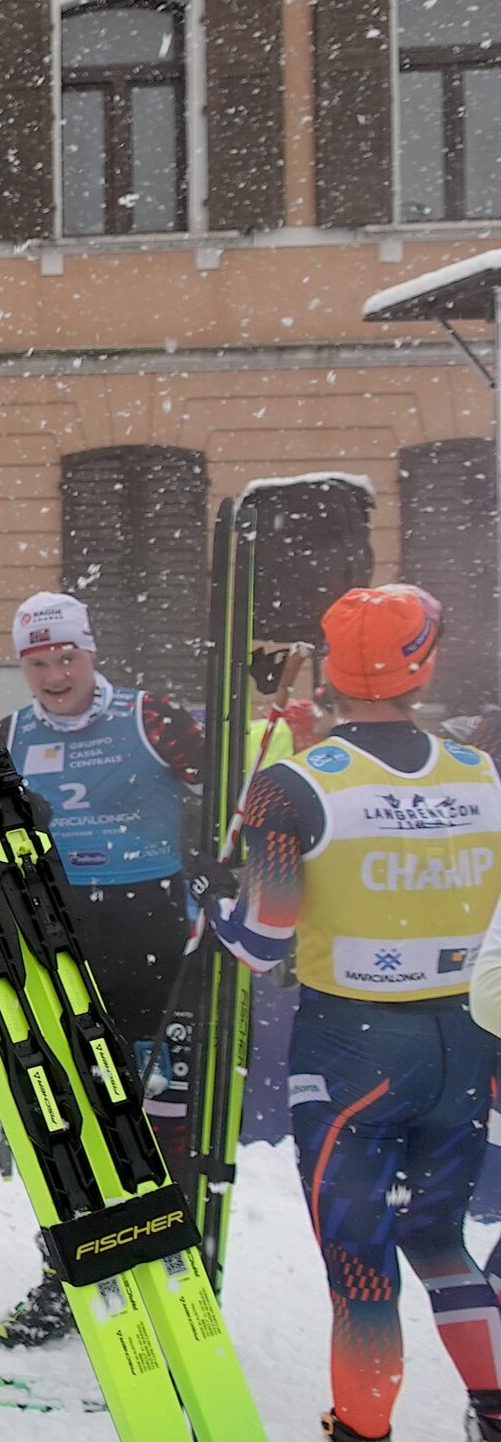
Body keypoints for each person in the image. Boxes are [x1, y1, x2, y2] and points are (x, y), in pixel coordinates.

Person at [213, 584, 501, 1442]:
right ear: (424, 667)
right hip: (464, 1040)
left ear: (330, 671)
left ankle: (361, 1430)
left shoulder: (290, 786)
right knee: (439, 1238)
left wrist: (213, 901)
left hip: (352, 1049)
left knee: (362, 1272)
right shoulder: (482, 772)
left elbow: (261, 940)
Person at [0, 589, 207, 1347]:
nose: (55, 676)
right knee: (72, 1107)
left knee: (157, 1105)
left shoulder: (152, 717)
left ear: (90, 650)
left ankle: (178, 1264)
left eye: (67, 658)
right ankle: (74, 1272)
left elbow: (227, 793)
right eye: (38, 663)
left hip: (153, 928)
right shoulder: (8, 734)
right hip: (61, 930)